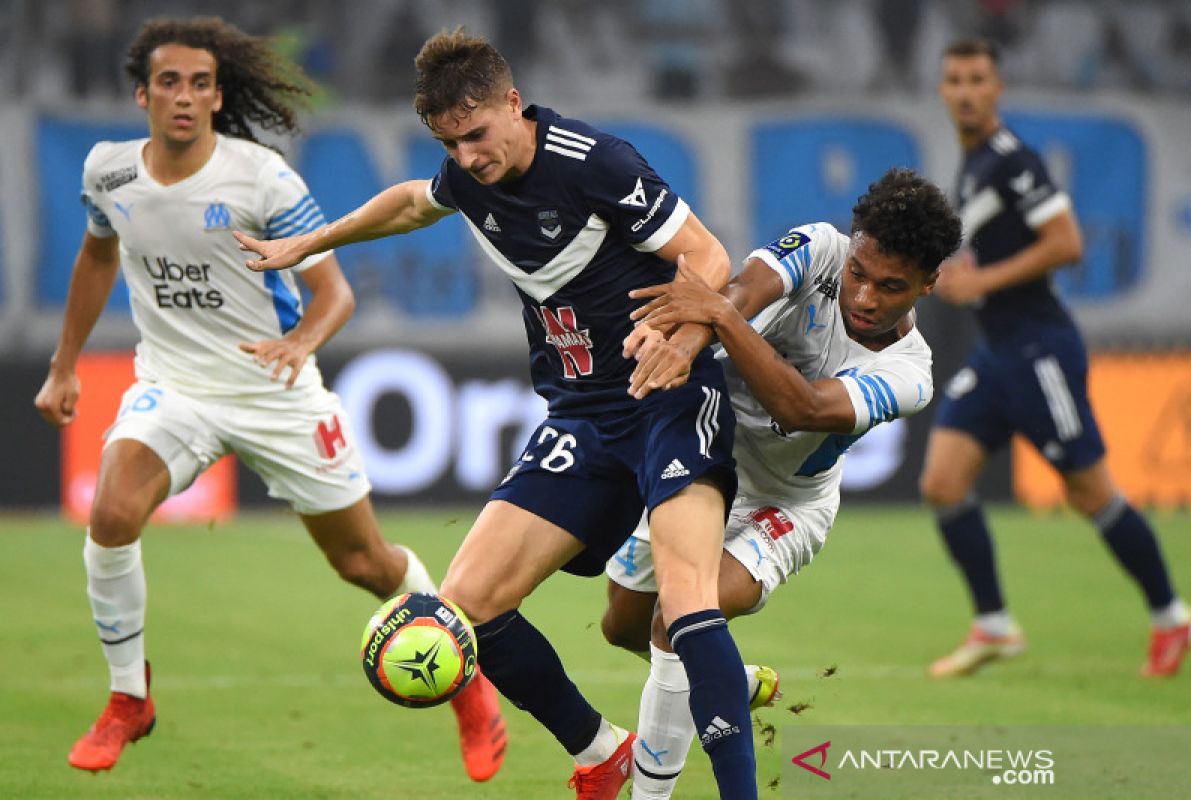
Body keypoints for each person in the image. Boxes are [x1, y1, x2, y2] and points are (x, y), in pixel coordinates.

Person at [234, 28, 757, 800]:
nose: (468, 156)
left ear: (514, 104)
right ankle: (601, 751)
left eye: (477, 135)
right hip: (581, 417)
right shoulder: (466, 174)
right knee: (464, 611)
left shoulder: (596, 163)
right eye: (450, 142)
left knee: (683, 608)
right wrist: (312, 241)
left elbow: (710, 259)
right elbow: (413, 204)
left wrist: (682, 338)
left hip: (669, 399)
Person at [33, 17, 506, 779]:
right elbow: (95, 256)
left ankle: (468, 685)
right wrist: (64, 366)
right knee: (111, 512)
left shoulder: (261, 178)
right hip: (176, 387)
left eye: (198, 83)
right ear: (142, 94)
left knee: (364, 563)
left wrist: (300, 343)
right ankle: (129, 698)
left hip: (276, 391)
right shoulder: (106, 173)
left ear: (218, 97)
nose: (183, 97)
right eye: (168, 83)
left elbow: (334, 292)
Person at [604, 168, 963, 798]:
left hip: (784, 505)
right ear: (851, 246)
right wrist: (702, 326)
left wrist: (720, 317)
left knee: (676, 614)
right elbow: (740, 293)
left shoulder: (911, 372)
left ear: (928, 285)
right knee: (621, 626)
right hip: (703, 459)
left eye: (891, 286)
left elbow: (803, 408)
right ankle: (730, 680)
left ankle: (648, 794)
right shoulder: (821, 246)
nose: (865, 296)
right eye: (859, 273)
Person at [922, 37, 1191, 678]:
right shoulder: (971, 167)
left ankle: (1170, 615)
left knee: (1088, 491)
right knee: (941, 482)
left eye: (976, 79)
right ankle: (993, 625)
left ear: (997, 88)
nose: (964, 91)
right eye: (954, 79)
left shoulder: (1014, 160)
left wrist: (983, 283)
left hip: (1041, 348)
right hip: (997, 352)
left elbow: (1067, 242)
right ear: (942, 90)